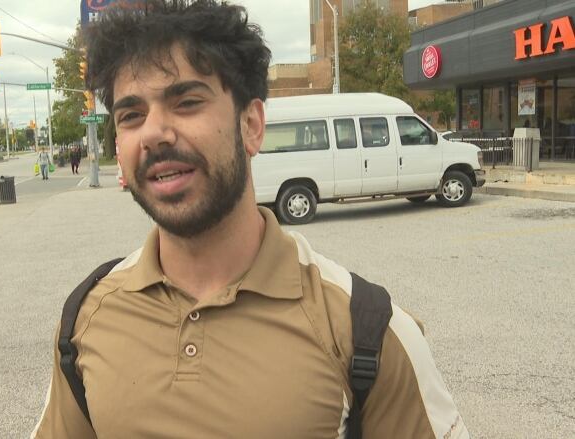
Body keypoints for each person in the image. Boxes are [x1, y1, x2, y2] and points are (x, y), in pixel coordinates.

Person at [31, 2, 468, 438]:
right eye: (131, 115)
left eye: (186, 102)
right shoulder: (85, 319)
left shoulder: (365, 329)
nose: (154, 133)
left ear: (252, 126)